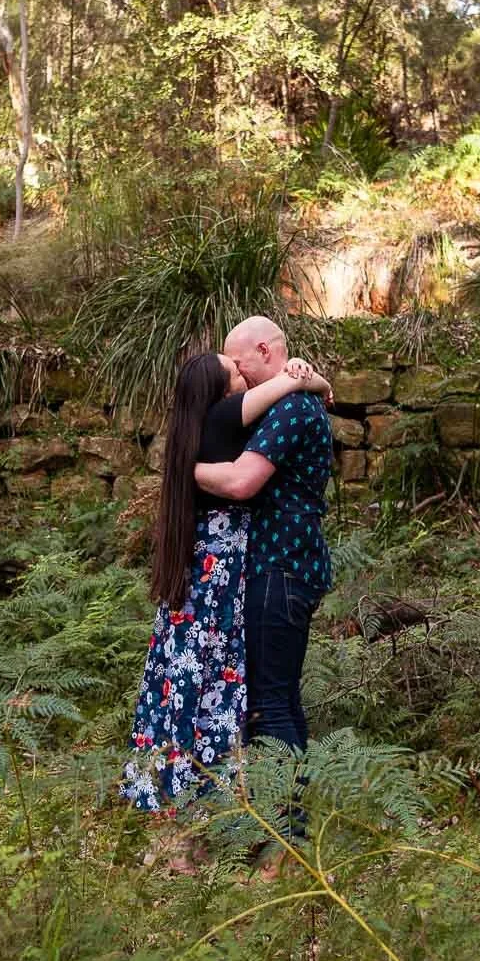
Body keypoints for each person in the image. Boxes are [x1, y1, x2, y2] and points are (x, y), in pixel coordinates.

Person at [120, 348, 331, 822]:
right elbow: (285, 388)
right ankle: (213, 815)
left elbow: (299, 388)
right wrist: (302, 376)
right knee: (212, 693)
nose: (241, 370)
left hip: (209, 576)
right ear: (219, 389)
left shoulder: (195, 426)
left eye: (241, 363)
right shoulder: (225, 413)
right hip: (216, 578)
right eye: (232, 369)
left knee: (189, 689)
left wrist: (313, 379)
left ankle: (188, 808)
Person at [194, 316, 335, 849]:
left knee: (269, 704)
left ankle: (287, 842)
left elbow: (243, 481)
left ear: (261, 351)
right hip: (284, 567)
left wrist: (184, 467)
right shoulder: (293, 399)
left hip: (280, 567)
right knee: (279, 700)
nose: (240, 380)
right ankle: (283, 834)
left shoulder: (292, 409)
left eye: (239, 367)